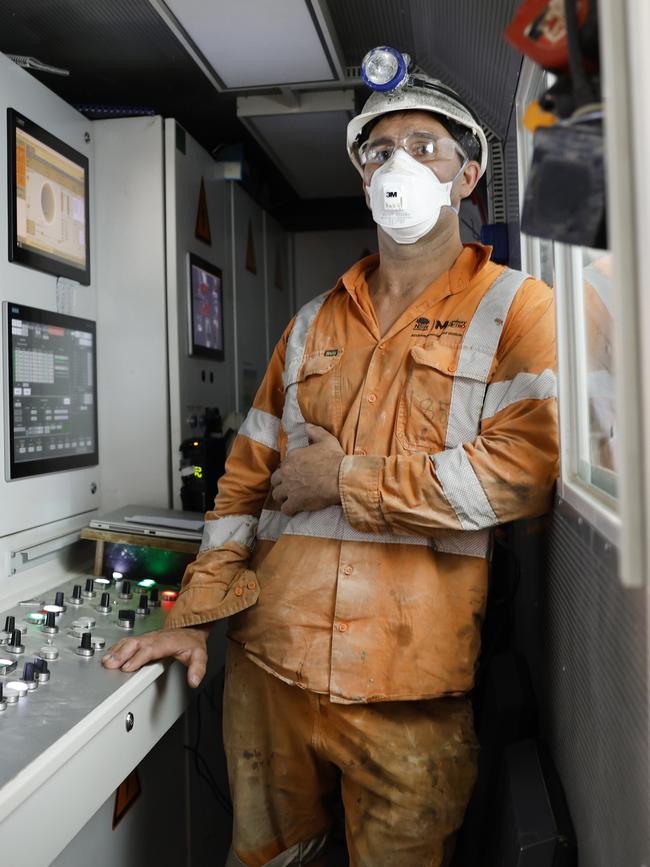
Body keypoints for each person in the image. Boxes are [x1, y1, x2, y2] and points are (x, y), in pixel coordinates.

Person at [102, 57, 559, 867]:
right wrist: (197, 615)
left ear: (467, 177)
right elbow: (243, 483)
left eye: (425, 147)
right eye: (379, 152)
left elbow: (523, 469)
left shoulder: (517, 307)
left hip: (408, 695)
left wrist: (344, 480)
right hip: (267, 671)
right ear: (361, 179)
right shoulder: (312, 321)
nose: (399, 167)